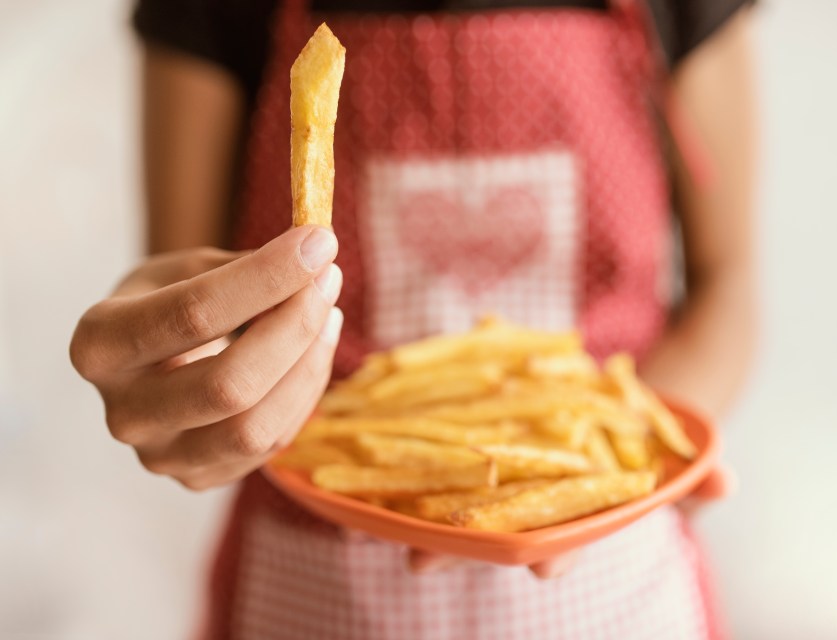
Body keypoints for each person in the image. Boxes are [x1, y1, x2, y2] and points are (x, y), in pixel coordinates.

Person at [69, 0, 757, 637]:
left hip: (616, 572)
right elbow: (188, 295)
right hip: (312, 572)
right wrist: (177, 376)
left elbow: (728, 280)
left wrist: (631, 461)